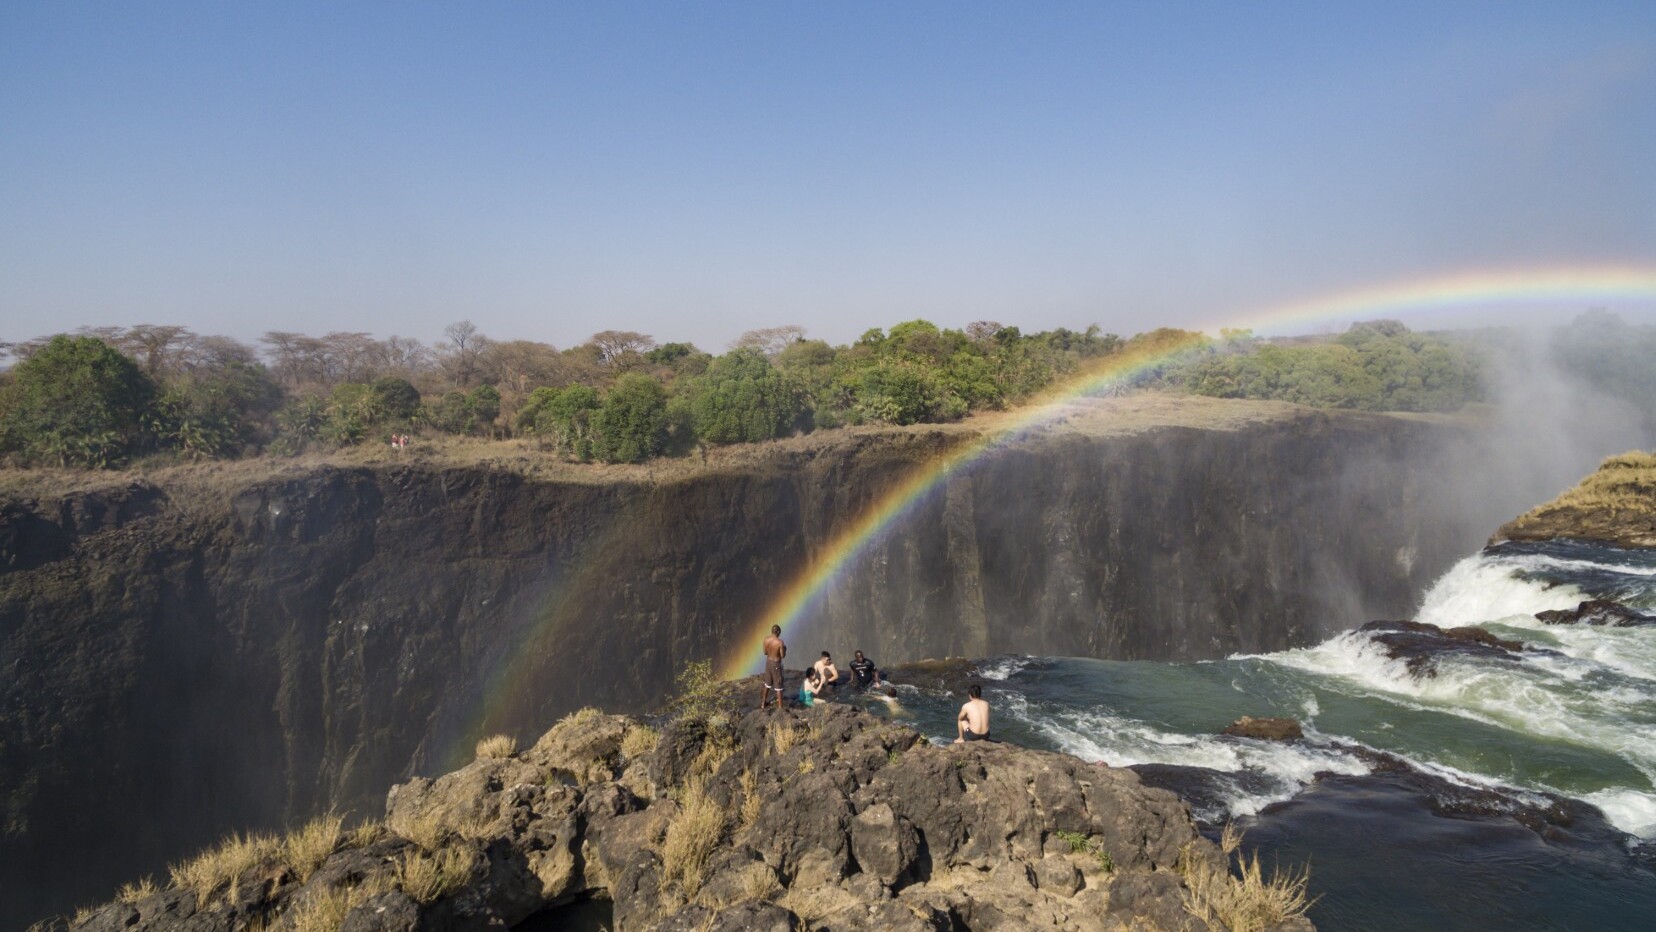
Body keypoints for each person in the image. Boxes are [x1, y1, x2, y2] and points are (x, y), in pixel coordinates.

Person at [759, 624, 786, 710]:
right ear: (777, 632)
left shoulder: (765, 640)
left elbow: (765, 652)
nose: (780, 634)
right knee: (778, 686)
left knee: (767, 683)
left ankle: (763, 704)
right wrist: (785, 649)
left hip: (768, 663)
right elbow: (782, 656)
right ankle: (780, 707)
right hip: (776, 664)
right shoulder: (780, 642)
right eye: (780, 632)